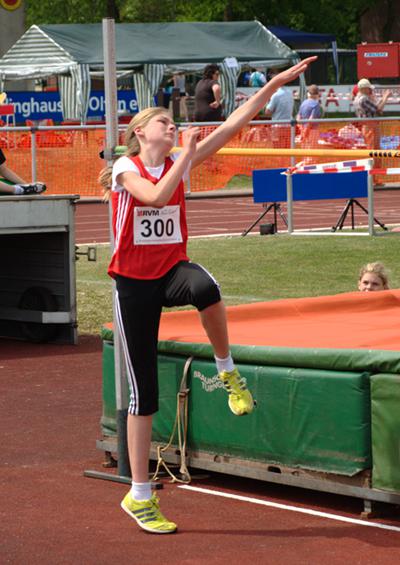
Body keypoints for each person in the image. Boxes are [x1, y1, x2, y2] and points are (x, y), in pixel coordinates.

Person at [98, 55, 316, 535]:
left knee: (207, 286)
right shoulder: (124, 167)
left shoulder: (180, 157)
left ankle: (227, 370)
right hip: (133, 284)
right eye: (165, 123)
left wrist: (273, 85)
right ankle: (139, 495)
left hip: (171, 270)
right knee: (145, 396)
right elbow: (154, 198)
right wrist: (185, 159)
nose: (173, 128)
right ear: (140, 132)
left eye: (175, 124)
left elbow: (235, 125)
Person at [353, 78, 391, 186]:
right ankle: (375, 178)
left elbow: (376, 109)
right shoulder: (363, 99)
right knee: (374, 152)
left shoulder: (358, 98)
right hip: (371, 127)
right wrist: (385, 98)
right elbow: (379, 109)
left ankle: (374, 178)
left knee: (372, 152)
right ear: (364, 88)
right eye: (369, 88)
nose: (371, 90)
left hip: (367, 126)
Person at [296, 84, 322, 163]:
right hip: (312, 130)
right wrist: (306, 130)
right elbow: (311, 119)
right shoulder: (316, 104)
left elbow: (298, 116)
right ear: (317, 94)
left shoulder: (303, 103)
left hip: (303, 129)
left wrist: (301, 128)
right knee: (312, 153)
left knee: (305, 151)